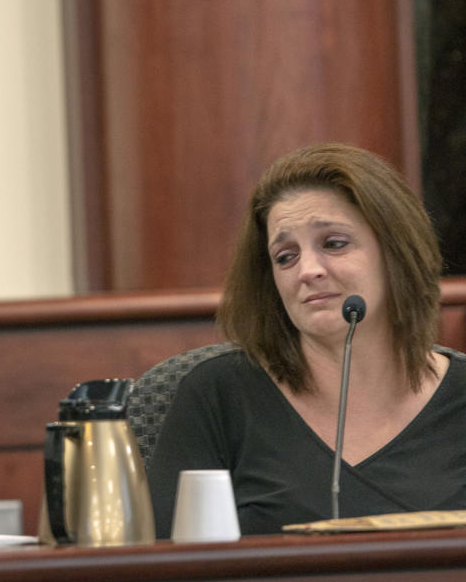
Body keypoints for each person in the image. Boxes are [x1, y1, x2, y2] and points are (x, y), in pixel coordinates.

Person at [147, 142, 466, 538]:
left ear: (397, 253)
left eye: (334, 244)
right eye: (285, 256)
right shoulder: (219, 395)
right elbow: (161, 578)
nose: (307, 270)